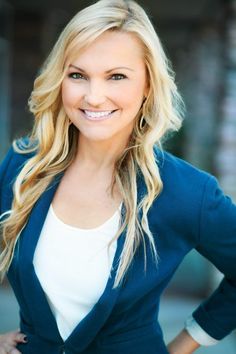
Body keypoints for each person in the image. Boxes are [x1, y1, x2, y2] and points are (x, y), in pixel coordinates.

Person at [0, 0, 235, 353]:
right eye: (77, 75)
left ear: (147, 86)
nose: (94, 97)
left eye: (117, 76)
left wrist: (184, 344)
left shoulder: (186, 191)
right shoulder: (23, 166)